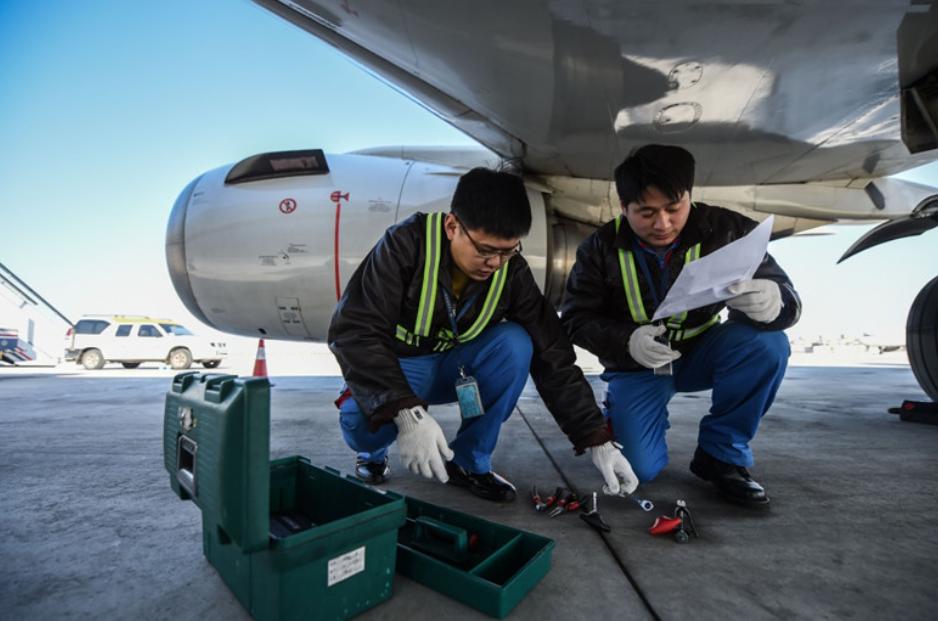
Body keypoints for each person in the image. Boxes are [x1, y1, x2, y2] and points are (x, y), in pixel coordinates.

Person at [328, 167, 637, 503]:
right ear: (452, 226)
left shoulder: (511, 273)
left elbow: (554, 355)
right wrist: (405, 412)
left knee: (516, 343)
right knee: (365, 430)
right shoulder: (404, 246)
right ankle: (373, 454)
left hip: (454, 366)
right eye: (485, 250)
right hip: (401, 364)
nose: (494, 263)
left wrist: (596, 439)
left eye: (507, 251)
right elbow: (356, 330)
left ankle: (470, 462)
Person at [560, 144, 800, 506]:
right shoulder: (599, 248)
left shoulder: (729, 231)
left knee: (768, 345)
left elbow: (790, 300)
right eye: (646, 213)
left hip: (701, 351)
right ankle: (621, 414)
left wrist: (777, 300)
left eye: (674, 209)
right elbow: (576, 319)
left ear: (689, 197)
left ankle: (722, 455)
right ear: (623, 208)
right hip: (637, 365)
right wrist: (627, 340)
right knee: (640, 469)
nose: (663, 224)